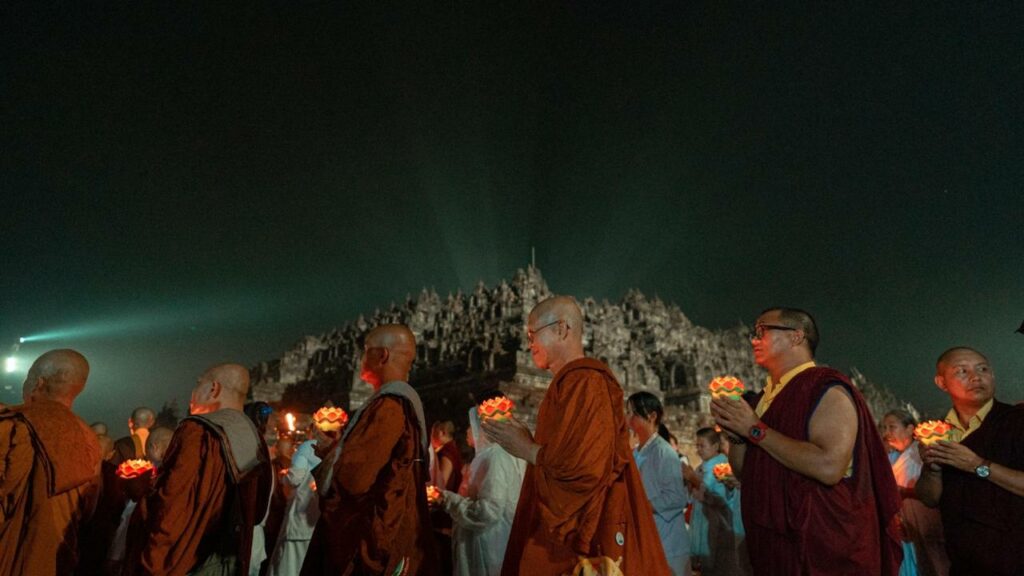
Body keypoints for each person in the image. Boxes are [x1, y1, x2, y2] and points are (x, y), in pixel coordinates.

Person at [483, 296, 671, 575]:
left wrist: (528, 450)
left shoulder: (586, 381)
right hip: (560, 524)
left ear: (561, 329)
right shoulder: (570, 383)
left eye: (533, 334)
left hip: (582, 536)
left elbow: (586, 469)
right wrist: (527, 441)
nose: (528, 343)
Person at [711, 307, 902, 575]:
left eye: (762, 331)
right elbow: (747, 472)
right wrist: (735, 432)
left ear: (796, 337)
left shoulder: (826, 387)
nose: (753, 339)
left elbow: (828, 467)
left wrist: (754, 429)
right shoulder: (762, 399)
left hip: (822, 542)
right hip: (771, 539)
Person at [301, 324, 439, 575]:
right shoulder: (399, 405)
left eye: (366, 351)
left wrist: (331, 454)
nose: (361, 358)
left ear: (382, 355)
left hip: (369, 543)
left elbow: (353, 480)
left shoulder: (388, 407)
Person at [126, 363, 273, 575]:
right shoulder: (255, 436)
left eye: (198, 384)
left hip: (188, 561)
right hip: (230, 559)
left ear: (213, 389)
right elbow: (258, 511)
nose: (193, 393)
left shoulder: (199, 431)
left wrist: (142, 491)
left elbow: (171, 506)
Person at [916, 347, 1024, 576]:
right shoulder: (940, 432)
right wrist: (932, 468)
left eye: (983, 369)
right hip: (963, 562)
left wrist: (977, 465)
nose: (976, 377)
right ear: (941, 382)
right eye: (962, 371)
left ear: (992, 375)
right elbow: (929, 499)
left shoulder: (1016, 421)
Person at [0, 349, 101, 575]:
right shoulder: (89, 440)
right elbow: (88, 510)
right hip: (54, 561)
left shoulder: (13, 426)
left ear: (38, 382)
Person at [440, 393, 527, 576]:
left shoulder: (496, 457)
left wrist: (448, 500)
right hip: (491, 545)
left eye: (471, 425)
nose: (468, 431)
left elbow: (489, 511)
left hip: (488, 548)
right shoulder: (493, 455)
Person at [268, 411, 342, 576]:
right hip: (319, 523)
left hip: (300, 521)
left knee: (288, 568)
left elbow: (295, 478)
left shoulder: (309, 446)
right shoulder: (339, 450)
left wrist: (283, 477)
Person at [626, 392, 691, 576]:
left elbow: (677, 497)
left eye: (633, 413)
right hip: (646, 534)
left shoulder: (664, 452)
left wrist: (643, 506)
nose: (628, 418)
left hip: (667, 540)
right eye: (627, 412)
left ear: (652, 416)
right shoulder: (635, 453)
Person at [881, 409, 950, 576]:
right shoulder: (894, 458)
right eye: (884, 428)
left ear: (910, 429)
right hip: (906, 525)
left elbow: (934, 490)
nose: (887, 433)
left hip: (927, 523)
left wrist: (903, 492)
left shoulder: (921, 453)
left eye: (892, 427)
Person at [689, 427, 749, 576]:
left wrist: (696, 483)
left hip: (719, 531)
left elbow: (722, 500)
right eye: (697, 446)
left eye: (702, 445)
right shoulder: (700, 468)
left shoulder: (723, 468)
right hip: (702, 529)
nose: (699, 450)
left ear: (715, 446)